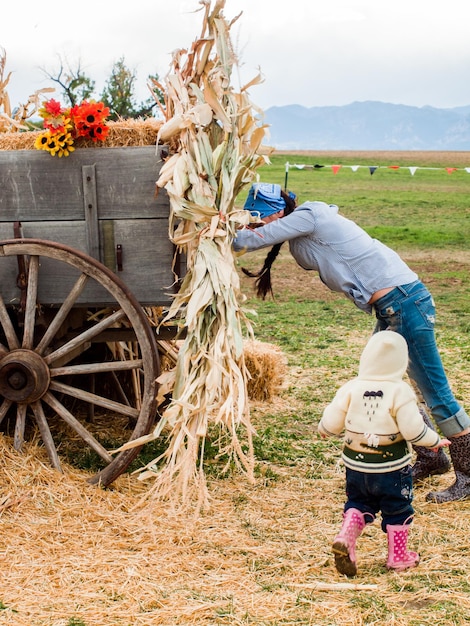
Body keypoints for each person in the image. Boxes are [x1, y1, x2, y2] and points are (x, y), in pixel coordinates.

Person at [233, 182, 470, 503]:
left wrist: (219, 225)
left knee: (436, 393)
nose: (258, 224)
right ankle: (431, 457)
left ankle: (467, 476)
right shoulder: (302, 226)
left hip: (405, 303)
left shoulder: (310, 215)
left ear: (277, 211)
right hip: (392, 307)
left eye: (260, 218)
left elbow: (242, 241)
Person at [317, 330, 450, 576]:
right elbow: (412, 429)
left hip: (356, 466)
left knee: (358, 502)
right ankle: (398, 557)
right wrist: (433, 441)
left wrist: (324, 429)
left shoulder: (351, 387)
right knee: (397, 508)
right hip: (392, 469)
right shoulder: (400, 391)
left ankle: (347, 533)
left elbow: (332, 419)